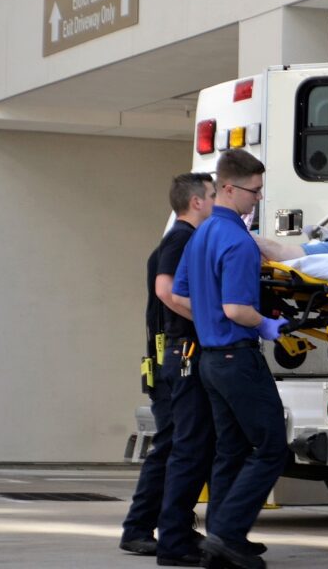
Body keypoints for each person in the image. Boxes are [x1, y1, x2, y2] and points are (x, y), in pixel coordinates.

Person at [172, 149, 288, 569]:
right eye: (253, 192)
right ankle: (228, 533)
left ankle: (220, 540)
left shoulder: (200, 234)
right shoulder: (237, 240)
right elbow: (239, 309)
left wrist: (207, 319)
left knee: (232, 449)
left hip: (210, 361)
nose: (257, 199)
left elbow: (179, 294)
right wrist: (269, 326)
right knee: (273, 447)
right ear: (227, 187)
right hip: (237, 359)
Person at [120, 173, 217, 567]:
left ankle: (158, 525)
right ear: (196, 202)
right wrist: (214, 320)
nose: (216, 201)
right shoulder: (180, 239)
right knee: (176, 447)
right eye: (212, 195)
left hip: (166, 360)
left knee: (177, 445)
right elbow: (167, 293)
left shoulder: (174, 240)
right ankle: (139, 529)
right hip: (173, 362)